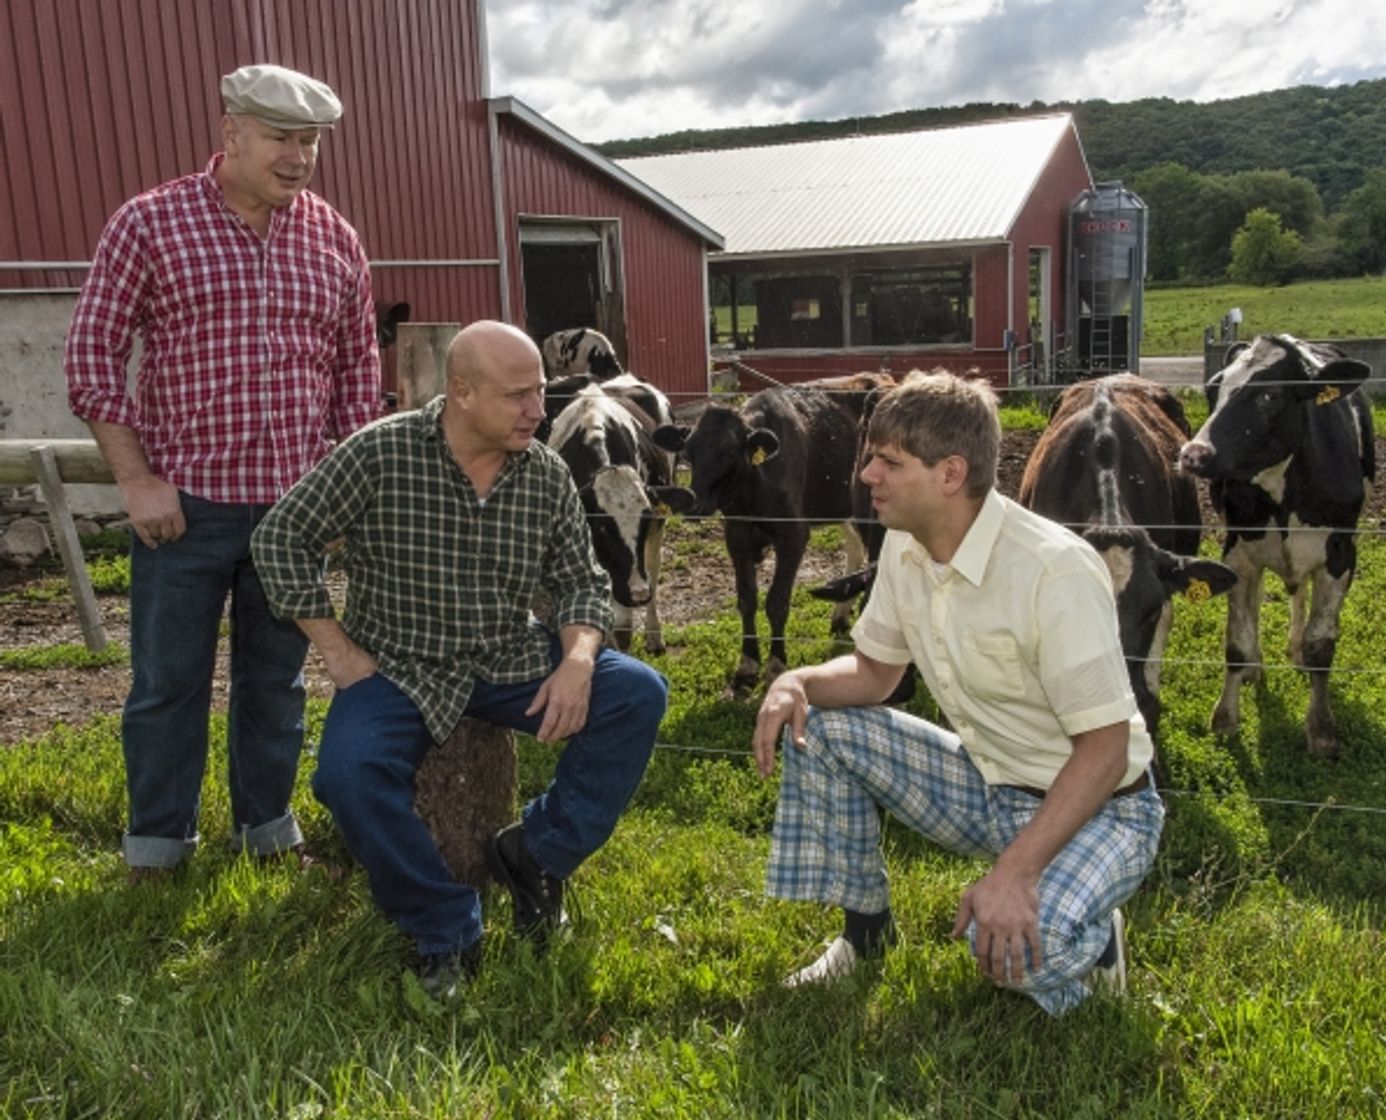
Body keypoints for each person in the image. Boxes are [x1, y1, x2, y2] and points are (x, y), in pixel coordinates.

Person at [250, 320, 666, 1001]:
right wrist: (336, 650)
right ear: (461, 392)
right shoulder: (380, 453)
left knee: (638, 693)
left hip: (508, 653)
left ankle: (535, 855)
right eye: (518, 396)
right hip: (399, 665)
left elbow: (582, 581)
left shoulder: (546, 473)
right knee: (347, 776)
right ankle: (443, 924)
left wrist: (580, 659)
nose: (538, 410)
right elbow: (280, 538)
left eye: (539, 391)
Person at [751, 371, 1165, 1015]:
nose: (866, 476)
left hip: (1101, 808)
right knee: (820, 725)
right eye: (870, 459)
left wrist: (1017, 871)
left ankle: (1094, 936)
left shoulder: (1053, 569)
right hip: (987, 783)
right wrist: (793, 681)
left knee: (1005, 955)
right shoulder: (903, 548)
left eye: (888, 462)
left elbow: (1107, 749)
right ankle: (866, 935)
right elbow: (874, 675)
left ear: (950, 474)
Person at [64, 64, 383, 882]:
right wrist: (136, 479)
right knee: (168, 686)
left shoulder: (334, 238)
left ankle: (267, 836)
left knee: (274, 685)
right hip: (186, 506)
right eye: (281, 137)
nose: (299, 156)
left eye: (310, 141)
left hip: (294, 513)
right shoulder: (150, 223)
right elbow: (92, 355)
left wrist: (346, 494)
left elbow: (355, 374)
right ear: (231, 132)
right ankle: (156, 852)